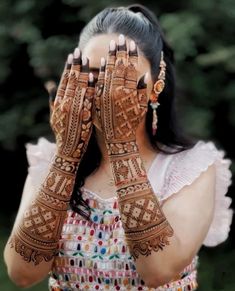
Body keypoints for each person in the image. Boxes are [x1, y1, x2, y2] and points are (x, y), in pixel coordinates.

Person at [4, 4, 234, 291]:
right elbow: (22, 272)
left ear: (156, 84)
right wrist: (67, 154)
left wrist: (121, 144)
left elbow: (159, 271)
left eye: (120, 75)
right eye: (93, 74)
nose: (104, 89)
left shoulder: (190, 168)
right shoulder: (49, 163)